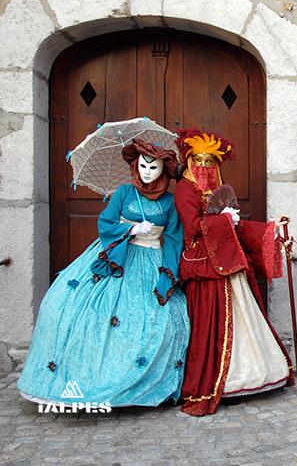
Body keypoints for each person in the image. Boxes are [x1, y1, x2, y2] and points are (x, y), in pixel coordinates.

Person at [17, 139, 189, 407]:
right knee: (71, 309)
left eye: (153, 167)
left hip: (151, 260)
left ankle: (144, 382)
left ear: (164, 171)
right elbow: (105, 222)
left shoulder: (169, 202)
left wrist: (167, 271)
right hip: (118, 256)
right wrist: (131, 230)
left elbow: (175, 238)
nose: (146, 172)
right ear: (134, 166)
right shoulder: (123, 193)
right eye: (142, 166)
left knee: (159, 319)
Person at [174, 128, 293, 416]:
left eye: (209, 162)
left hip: (229, 266)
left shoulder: (217, 192)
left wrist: (271, 227)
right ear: (188, 162)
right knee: (210, 325)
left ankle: (250, 376)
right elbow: (192, 227)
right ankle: (215, 382)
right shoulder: (184, 189)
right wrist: (223, 221)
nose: (203, 167)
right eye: (197, 161)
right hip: (204, 266)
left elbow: (236, 229)